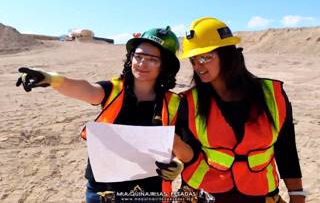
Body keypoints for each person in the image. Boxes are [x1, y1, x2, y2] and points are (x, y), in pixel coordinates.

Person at [16, 26, 193, 203]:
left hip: (146, 192)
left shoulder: (175, 104)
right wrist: (52, 79)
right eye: (138, 56)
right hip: (103, 191)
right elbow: (86, 89)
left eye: (152, 59)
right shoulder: (113, 90)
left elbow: (187, 152)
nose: (141, 63)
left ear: (165, 66)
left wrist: (177, 162)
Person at [174, 17, 306, 203]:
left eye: (205, 57)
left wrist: (297, 195)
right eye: (193, 60)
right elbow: (191, 155)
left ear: (227, 55)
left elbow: (286, 149)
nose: (198, 66)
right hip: (209, 196)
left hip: (261, 196)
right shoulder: (189, 102)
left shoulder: (272, 96)